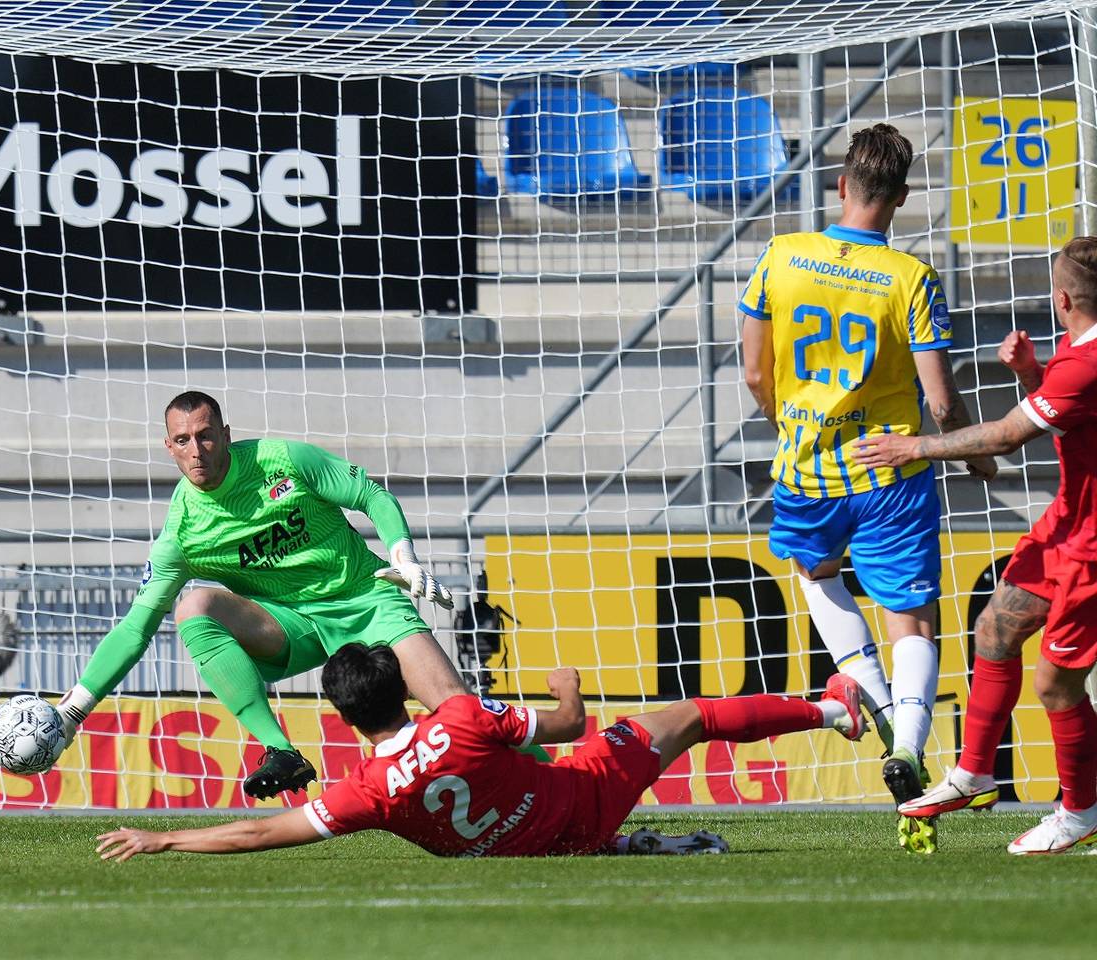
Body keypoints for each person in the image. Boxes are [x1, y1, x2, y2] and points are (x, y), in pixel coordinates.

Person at [739, 123, 996, 850]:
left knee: (815, 575)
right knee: (910, 622)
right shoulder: (911, 278)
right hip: (890, 470)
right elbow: (941, 402)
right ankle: (910, 745)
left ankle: (880, 709)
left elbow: (755, 373)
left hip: (807, 467)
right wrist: (975, 453)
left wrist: (788, 421)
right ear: (902, 198)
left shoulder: (782, 256)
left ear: (842, 185)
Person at [54, 390, 470, 800]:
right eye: (183, 440)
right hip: (290, 627)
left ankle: (531, 779)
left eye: (206, 435)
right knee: (195, 606)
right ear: (169, 447)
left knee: (460, 715)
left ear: (226, 434)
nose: (196, 450)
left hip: (366, 600)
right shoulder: (182, 535)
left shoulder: (284, 460)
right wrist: (74, 711)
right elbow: (134, 629)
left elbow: (370, 495)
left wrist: (403, 555)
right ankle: (282, 751)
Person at [95, 643, 868, 861]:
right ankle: (835, 709)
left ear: (343, 716)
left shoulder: (367, 789)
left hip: (522, 853)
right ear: (402, 683)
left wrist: (165, 836)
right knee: (686, 717)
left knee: (530, 795)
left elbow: (264, 831)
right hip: (581, 801)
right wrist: (567, 689)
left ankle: (637, 848)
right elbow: (567, 728)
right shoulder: (462, 716)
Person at [856, 237, 1097, 855]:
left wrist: (914, 447)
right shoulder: (1078, 349)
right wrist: (1029, 374)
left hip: (1094, 547)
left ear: (1063, 297)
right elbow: (1069, 406)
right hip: (1068, 525)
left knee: (1057, 686)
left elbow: (1008, 437)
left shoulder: (1087, 361)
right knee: (994, 629)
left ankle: (1081, 812)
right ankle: (974, 773)